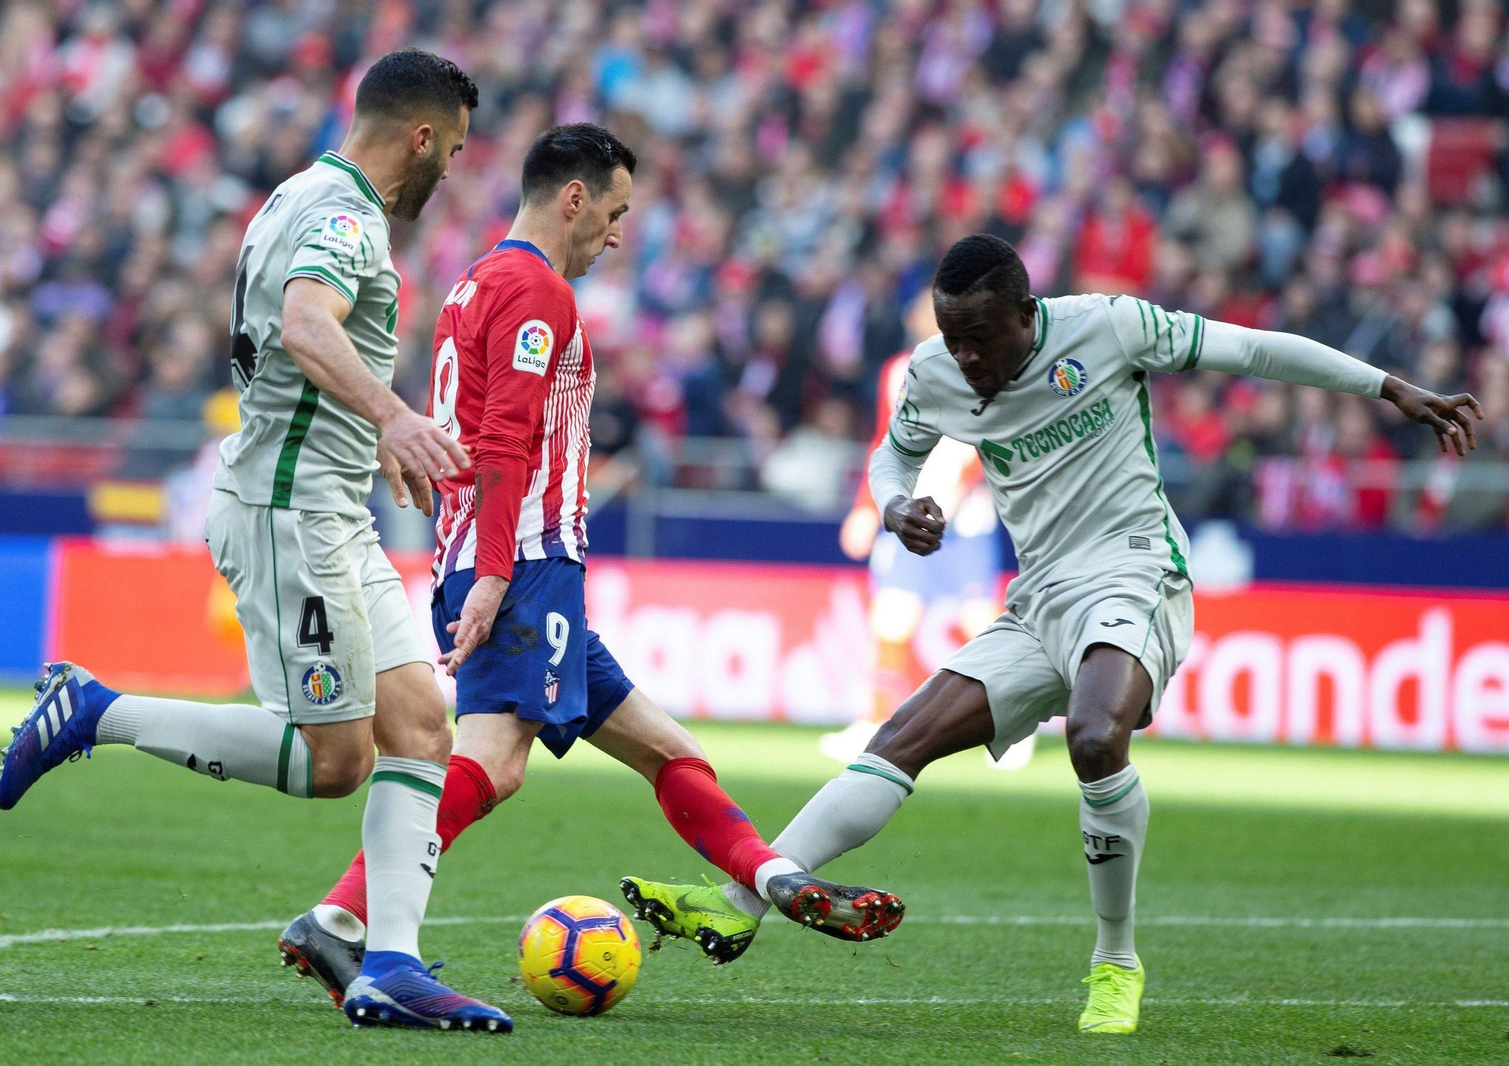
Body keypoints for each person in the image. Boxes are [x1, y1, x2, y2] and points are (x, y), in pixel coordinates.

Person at [626, 234, 1483, 1035]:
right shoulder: (936, 372)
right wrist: (894, 504)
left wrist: (1387, 387)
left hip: (1134, 570)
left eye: (982, 339)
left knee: (1094, 734)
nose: (968, 359)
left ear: (1026, 314)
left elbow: (1252, 349)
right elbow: (894, 453)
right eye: (953, 341)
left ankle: (1115, 962)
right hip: (1037, 598)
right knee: (898, 742)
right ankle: (736, 908)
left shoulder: (1110, 326)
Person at [276, 126, 903, 1009]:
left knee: (668, 750)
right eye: (613, 213)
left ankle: (764, 884)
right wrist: (497, 571)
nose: (616, 234)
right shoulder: (537, 293)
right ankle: (340, 918)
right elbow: (505, 441)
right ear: (573, 197)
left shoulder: (475, 281)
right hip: (523, 566)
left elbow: (470, 420)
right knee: (492, 761)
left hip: (510, 564)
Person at [0, 49, 511, 1033]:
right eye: (452, 149)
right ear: (421, 136)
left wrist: (373, 443)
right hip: (289, 515)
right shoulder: (342, 215)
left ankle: (390, 962)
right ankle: (96, 709)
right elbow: (305, 324)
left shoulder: (308, 197)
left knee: (418, 727)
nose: (451, 170)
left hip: (331, 505)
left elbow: (307, 349)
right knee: (333, 761)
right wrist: (395, 418)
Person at [823, 287, 1010, 767]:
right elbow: (886, 443)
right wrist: (868, 506)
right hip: (911, 516)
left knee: (980, 623)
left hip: (965, 521)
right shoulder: (896, 371)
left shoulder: (983, 371)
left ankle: (1008, 729)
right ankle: (875, 721)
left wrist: (958, 491)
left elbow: (989, 443)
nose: (920, 316)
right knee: (891, 616)